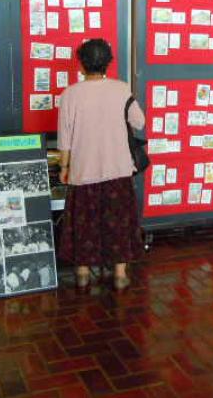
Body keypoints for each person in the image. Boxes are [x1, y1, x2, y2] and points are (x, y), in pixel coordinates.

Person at [57, 38, 145, 290]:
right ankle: (119, 274)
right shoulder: (121, 89)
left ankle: (83, 273)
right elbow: (139, 122)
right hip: (118, 169)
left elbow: (65, 139)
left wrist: (64, 168)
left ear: (81, 64)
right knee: (118, 221)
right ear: (108, 63)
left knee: (84, 222)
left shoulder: (70, 94)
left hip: (83, 171)